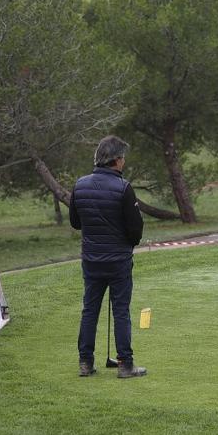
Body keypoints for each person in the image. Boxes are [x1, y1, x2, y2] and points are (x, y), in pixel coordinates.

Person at [69, 135, 146, 378]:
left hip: (91, 259)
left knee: (90, 310)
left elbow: (75, 222)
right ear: (115, 160)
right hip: (118, 259)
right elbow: (135, 229)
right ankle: (125, 364)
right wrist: (128, 243)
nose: (124, 162)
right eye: (122, 158)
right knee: (120, 310)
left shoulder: (80, 185)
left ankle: (85, 362)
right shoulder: (123, 188)